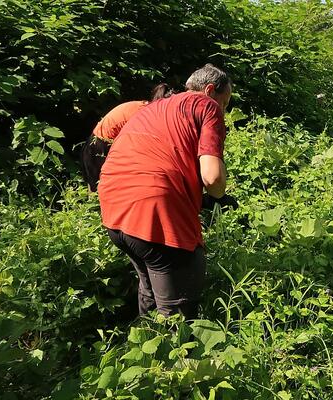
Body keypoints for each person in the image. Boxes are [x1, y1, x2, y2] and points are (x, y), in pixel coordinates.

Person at [97, 64, 234, 318]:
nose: (223, 110)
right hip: (153, 210)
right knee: (177, 306)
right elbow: (212, 176)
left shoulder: (153, 107)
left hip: (113, 207)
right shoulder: (206, 106)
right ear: (210, 90)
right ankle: (178, 352)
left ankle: (143, 347)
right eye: (224, 103)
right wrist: (219, 195)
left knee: (150, 288)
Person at [80, 83, 174, 191]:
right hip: (99, 147)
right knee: (98, 190)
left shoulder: (144, 107)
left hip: (98, 143)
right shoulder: (145, 114)